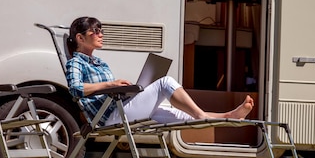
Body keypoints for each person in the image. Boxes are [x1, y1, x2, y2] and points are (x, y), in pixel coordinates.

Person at [65, 16, 254, 125]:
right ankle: (203, 115)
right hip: (109, 118)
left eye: (101, 30)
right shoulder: (76, 63)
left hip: (120, 108)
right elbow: (75, 89)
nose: (100, 34)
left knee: (179, 114)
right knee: (165, 82)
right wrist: (110, 84)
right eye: (95, 32)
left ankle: (229, 116)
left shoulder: (99, 62)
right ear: (80, 38)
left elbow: (105, 92)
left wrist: (125, 89)